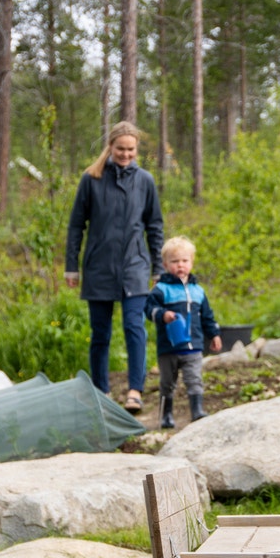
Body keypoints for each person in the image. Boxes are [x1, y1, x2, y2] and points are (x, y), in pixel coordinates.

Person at [65, 121, 164, 413]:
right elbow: (76, 226)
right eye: (121, 149)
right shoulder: (91, 179)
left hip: (135, 266)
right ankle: (101, 392)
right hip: (99, 267)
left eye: (131, 149)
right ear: (110, 147)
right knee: (100, 333)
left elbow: (154, 226)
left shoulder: (145, 181)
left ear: (137, 149)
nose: (125, 154)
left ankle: (135, 391)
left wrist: (158, 267)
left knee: (135, 327)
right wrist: (72, 266)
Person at [144, 236, 222, 429]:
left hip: (193, 346)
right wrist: (163, 314)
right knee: (167, 382)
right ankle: (166, 415)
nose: (180, 265)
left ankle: (197, 411)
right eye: (175, 261)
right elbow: (148, 309)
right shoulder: (161, 289)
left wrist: (214, 334)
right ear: (165, 264)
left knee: (194, 378)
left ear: (191, 262)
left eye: (184, 261)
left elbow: (207, 316)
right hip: (168, 347)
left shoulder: (198, 291)